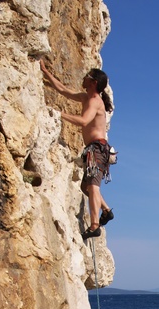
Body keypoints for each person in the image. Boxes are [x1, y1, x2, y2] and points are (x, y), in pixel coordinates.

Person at [40, 59, 114, 239]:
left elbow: (83, 121)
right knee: (86, 186)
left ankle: (95, 225)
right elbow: (63, 90)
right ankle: (106, 211)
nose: (84, 77)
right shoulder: (86, 97)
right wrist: (44, 71)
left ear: (93, 82)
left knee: (92, 186)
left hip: (97, 149)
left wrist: (58, 113)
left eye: (87, 76)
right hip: (95, 149)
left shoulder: (95, 101)